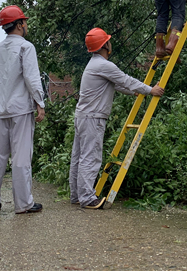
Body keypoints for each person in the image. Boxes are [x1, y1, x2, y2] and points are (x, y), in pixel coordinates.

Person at [69, 28, 165, 209]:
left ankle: (77, 195)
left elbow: (115, 84)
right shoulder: (104, 65)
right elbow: (125, 79)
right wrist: (149, 90)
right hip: (93, 118)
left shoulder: (94, 65)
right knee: (90, 157)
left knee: (79, 157)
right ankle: (88, 198)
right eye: (108, 40)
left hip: (83, 116)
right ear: (105, 45)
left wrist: (135, 91)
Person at [0, 5, 45, 214]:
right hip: (20, 110)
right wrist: (40, 103)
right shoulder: (26, 47)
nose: (26, 25)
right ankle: (23, 204)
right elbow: (31, 78)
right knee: (20, 158)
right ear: (19, 24)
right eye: (24, 22)